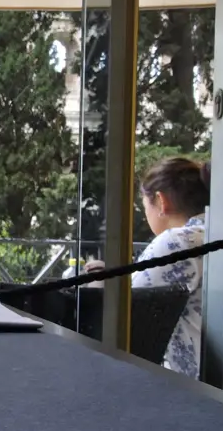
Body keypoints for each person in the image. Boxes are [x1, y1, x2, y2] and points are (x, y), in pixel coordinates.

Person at [87, 157, 209, 378]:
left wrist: (98, 278)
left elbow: (125, 312)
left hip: (199, 389)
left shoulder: (178, 241)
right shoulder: (214, 231)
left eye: (145, 207)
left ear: (161, 202)